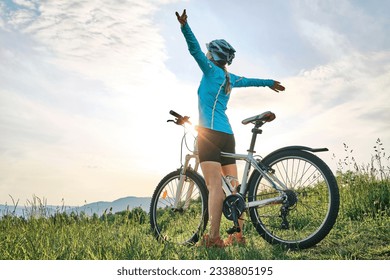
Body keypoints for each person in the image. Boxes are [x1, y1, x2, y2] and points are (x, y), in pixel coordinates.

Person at [175, 9, 285, 248]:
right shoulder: (229, 78)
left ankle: (213, 238)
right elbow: (249, 80)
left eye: (208, 52)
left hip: (209, 136)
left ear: (213, 55)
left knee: (214, 186)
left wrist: (185, 26)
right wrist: (269, 83)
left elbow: (193, 49)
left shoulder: (210, 70)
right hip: (227, 136)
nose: (205, 53)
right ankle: (238, 235)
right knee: (233, 187)